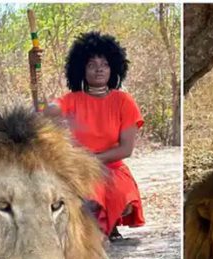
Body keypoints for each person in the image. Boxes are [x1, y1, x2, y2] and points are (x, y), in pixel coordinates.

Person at [31, 31, 145, 242]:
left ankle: (106, 226)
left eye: (104, 64)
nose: (99, 68)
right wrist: (34, 69)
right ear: (81, 70)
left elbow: (126, 149)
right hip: (79, 170)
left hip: (112, 168)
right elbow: (41, 111)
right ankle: (92, 230)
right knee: (84, 194)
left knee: (117, 194)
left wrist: (91, 160)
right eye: (92, 64)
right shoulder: (70, 100)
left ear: (114, 68)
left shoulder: (123, 101)